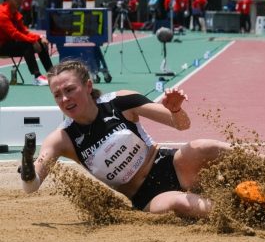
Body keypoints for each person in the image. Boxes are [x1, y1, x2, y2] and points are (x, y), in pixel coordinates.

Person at [20, 60, 232, 219]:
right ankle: (240, 214)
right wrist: (28, 172)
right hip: (147, 196)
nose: (65, 99)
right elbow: (32, 186)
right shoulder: (61, 139)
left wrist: (175, 110)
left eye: (69, 89)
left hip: (174, 165)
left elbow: (182, 125)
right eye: (57, 95)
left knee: (205, 146)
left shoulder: (120, 101)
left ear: (88, 86)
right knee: (181, 203)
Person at [0, 0, 53, 86]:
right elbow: (14, 34)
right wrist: (33, 41)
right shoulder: (1, 13)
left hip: (11, 44)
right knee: (27, 45)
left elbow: (24, 31)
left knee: (40, 43)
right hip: (2, 47)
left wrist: (40, 38)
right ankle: (37, 77)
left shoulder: (15, 13)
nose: (20, 0)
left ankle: (53, 74)